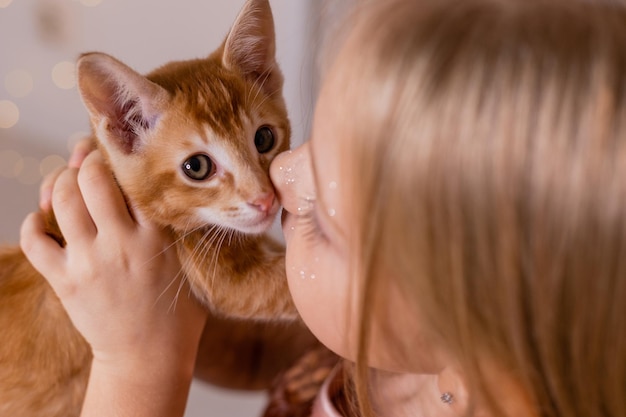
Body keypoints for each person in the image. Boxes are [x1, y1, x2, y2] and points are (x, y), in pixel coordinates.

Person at [20, 0, 626, 416]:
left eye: (324, 217)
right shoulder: (388, 348)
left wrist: (134, 359)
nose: (278, 172)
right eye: (294, 142)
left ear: (454, 307)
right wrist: (156, 302)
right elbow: (253, 352)